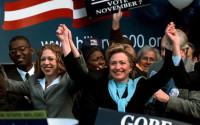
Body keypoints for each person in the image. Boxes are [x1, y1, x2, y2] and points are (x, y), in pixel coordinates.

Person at [56, 23, 180, 125]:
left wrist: (172, 44)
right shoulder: (99, 85)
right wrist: (65, 42)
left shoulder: (141, 86)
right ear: (108, 65)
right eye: (113, 63)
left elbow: (166, 72)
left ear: (131, 66)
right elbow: (77, 75)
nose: (118, 67)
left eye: (122, 63)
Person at [0, 39, 87, 118]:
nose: (46, 63)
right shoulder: (33, 81)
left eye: (50, 59)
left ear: (59, 61)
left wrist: (69, 42)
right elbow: (7, 85)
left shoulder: (68, 80)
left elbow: (81, 74)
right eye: (43, 59)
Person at [146, 22, 200, 124]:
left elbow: (197, 110)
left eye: (168, 50)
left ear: (183, 51)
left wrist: (168, 100)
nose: (163, 54)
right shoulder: (154, 67)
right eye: (162, 49)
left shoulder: (194, 71)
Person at [0, 36, 34, 111]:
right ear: (10, 56)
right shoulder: (4, 82)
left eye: (22, 49)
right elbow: (2, 110)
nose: (18, 54)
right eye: (13, 52)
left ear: (31, 50)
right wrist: (25, 100)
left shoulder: (46, 75)